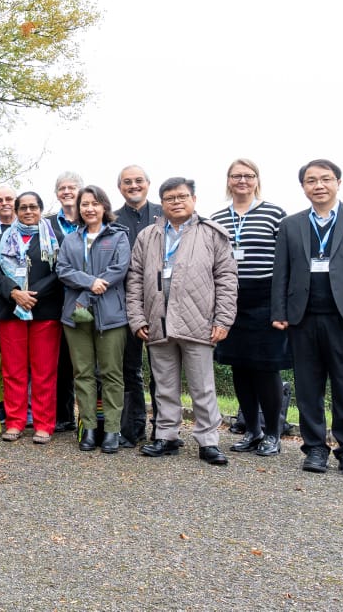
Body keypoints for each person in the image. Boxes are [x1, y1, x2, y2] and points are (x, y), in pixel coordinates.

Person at [271, 159, 343, 478]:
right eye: (311, 181)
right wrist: (279, 311)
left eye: (325, 179)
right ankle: (315, 449)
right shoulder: (291, 224)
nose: (318, 185)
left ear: (338, 182)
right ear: (303, 187)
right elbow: (281, 271)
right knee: (308, 386)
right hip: (301, 317)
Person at [125, 177, 237, 466]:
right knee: (164, 385)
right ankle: (166, 436)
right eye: (170, 198)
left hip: (198, 321)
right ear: (161, 203)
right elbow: (135, 279)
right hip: (157, 321)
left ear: (194, 200)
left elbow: (227, 279)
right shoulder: (148, 236)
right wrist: (137, 318)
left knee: (202, 386)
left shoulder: (212, 234)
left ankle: (208, 441)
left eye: (182, 196)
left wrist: (223, 319)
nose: (176, 202)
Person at [208, 159, 289, 457]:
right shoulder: (216, 218)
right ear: (228, 181)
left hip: (265, 298)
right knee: (239, 367)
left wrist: (282, 306)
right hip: (230, 300)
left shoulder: (274, 214)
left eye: (248, 176)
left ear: (257, 180)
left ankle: (273, 433)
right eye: (236, 176)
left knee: (266, 368)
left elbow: (286, 261)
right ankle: (252, 430)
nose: (242, 180)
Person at [55, 186, 131, 452]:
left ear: (104, 207)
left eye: (95, 204)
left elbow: (120, 268)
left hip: (110, 315)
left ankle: (111, 429)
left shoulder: (118, 236)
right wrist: (90, 282)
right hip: (75, 314)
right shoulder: (70, 239)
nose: (89, 208)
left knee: (111, 373)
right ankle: (88, 428)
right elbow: (62, 269)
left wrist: (100, 284)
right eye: (84, 204)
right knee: (83, 373)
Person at [0, 192, 64, 444]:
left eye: (33, 207)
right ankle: (15, 422)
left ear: (41, 210)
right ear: (16, 211)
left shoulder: (54, 238)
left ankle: (43, 425)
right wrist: (14, 293)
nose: (28, 211)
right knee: (13, 371)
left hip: (45, 312)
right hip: (11, 311)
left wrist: (33, 294)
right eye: (23, 207)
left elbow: (60, 271)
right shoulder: (3, 238)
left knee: (44, 371)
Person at [114, 165, 162, 448]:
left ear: (148, 183)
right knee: (128, 368)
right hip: (124, 303)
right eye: (127, 182)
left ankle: (164, 430)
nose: (134, 185)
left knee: (162, 369)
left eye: (138, 181)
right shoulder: (113, 218)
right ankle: (132, 429)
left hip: (161, 301)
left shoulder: (163, 213)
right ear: (120, 187)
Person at [45, 171, 84, 434]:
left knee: (85, 363)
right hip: (54, 298)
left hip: (85, 299)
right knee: (60, 362)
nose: (67, 191)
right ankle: (64, 415)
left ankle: (91, 419)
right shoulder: (46, 224)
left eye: (72, 187)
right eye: (62, 188)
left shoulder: (91, 219)